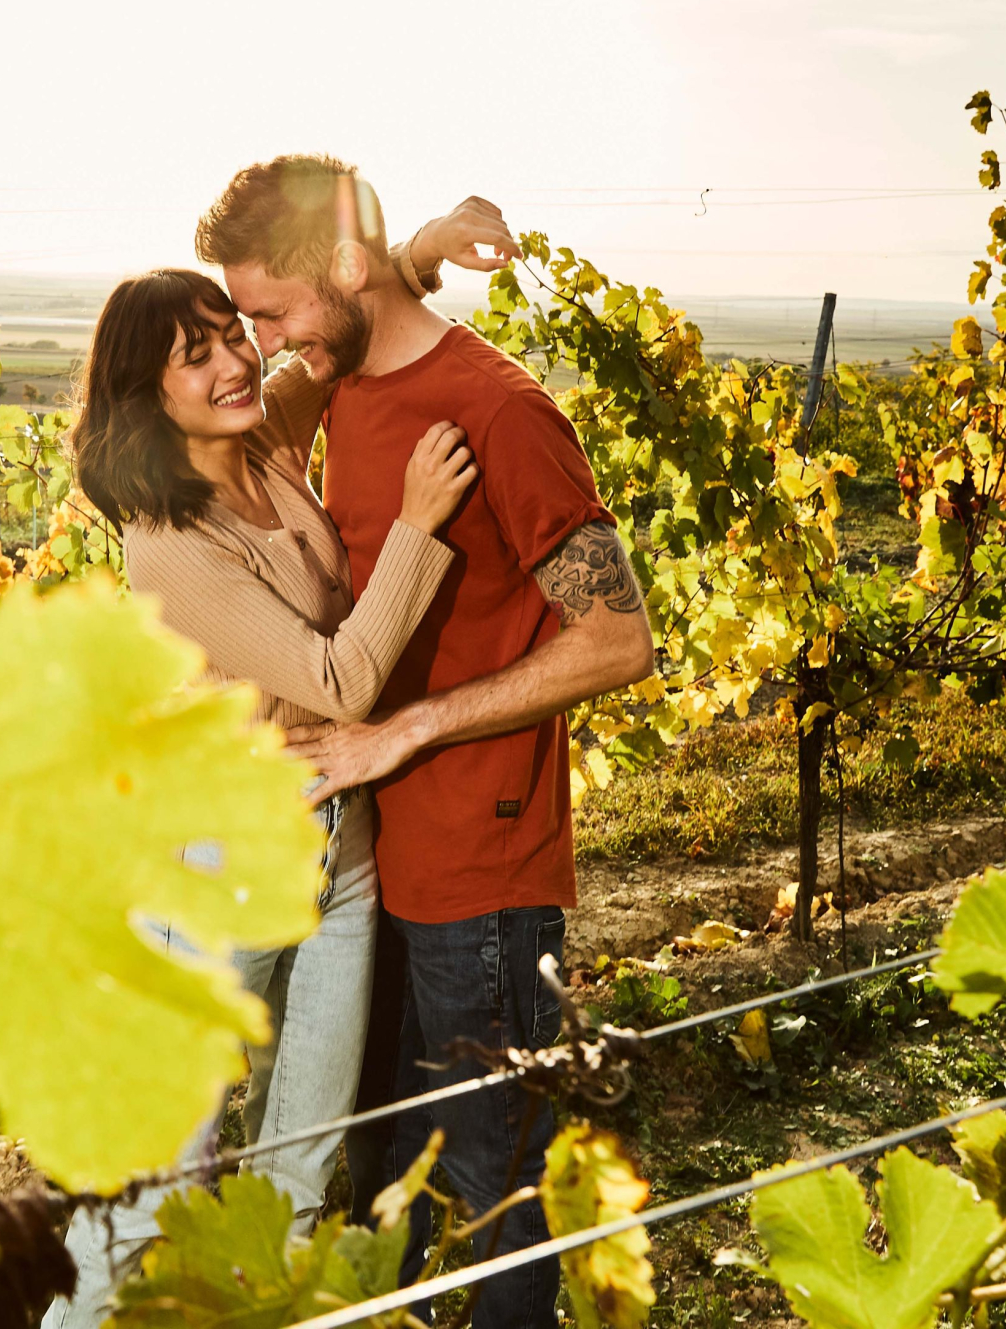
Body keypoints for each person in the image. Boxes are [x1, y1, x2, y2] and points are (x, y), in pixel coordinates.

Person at [195, 154, 653, 1329]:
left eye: (269, 312)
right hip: (369, 857)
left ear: (341, 267)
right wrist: (419, 247)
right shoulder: (339, 372)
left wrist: (408, 728)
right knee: (378, 1166)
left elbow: (617, 639)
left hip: (479, 872)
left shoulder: (499, 411)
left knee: (497, 1182)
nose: (262, 345)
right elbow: (345, 308)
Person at [42, 205, 504, 1329]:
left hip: (336, 854)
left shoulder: (262, 440)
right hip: (211, 870)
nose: (233, 361)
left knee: (301, 1163)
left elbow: (323, 346)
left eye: (229, 332)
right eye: (192, 355)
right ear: (146, 395)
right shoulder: (171, 543)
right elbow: (341, 679)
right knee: (151, 1184)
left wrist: (420, 251)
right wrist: (417, 526)